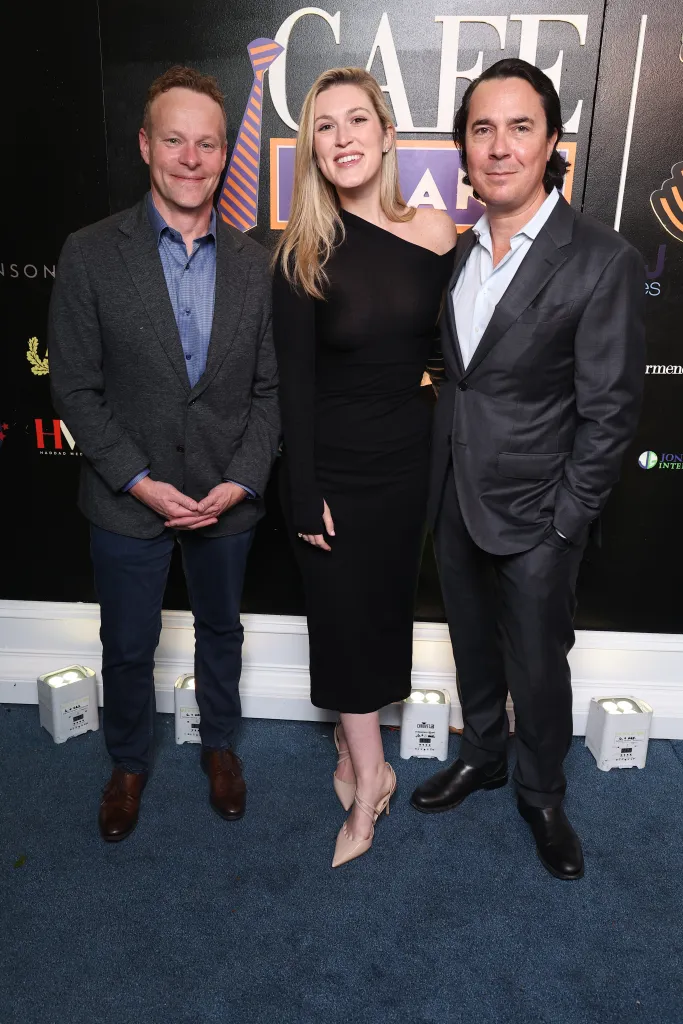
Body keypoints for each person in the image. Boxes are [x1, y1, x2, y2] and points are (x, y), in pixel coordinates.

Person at [410, 58, 645, 880]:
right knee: (469, 643)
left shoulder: (599, 258)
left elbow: (610, 410)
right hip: (455, 498)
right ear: (463, 151)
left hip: (541, 513)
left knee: (538, 669)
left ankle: (541, 793)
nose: (499, 147)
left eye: (519, 128)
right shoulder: (456, 252)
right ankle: (484, 753)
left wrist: (563, 525)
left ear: (552, 145)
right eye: (481, 130)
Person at [48, 66, 279, 841]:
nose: (191, 157)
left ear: (223, 155)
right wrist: (139, 481)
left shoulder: (256, 263)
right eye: (174, 140)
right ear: (147, 145)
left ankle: (220, 748)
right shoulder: (88, 253)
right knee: (127, 642)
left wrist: (242, 479)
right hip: (126, 497)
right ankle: (128, 763)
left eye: (206, 143)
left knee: (222, 630)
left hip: (225, 498)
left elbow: (270, 392)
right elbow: (74, 389)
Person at [272, 67, 457, 867]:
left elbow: (466, 349)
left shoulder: (437, 231)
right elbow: (295, 389)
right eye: (324, 126)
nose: (342, 137)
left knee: (382, 616)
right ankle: (371, 781)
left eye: (357, 121)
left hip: (409, 465)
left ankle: (355, 755)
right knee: (341, 622)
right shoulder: (301, 251)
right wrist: (302, 492)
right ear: (311, 148)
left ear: (387, 135)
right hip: (334, 471)